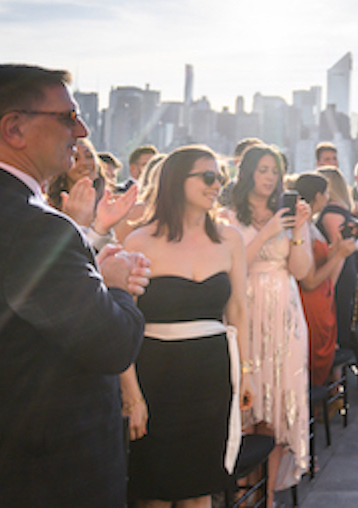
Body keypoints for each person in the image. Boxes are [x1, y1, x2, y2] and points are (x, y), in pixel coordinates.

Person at [0, 64, 148, 507]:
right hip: (42, 473)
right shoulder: (35, 228)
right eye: (66, 117)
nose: (82, 128)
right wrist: (115, 286)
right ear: (14, 128)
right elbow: (111, 344)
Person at [119, 145, 251, 507]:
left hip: (211, 373)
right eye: (208, 177)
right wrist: (132, 394)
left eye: (219, 178)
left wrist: (246, 371)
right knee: (154, 492)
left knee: (200, 488)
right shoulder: (139, 241)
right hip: (155, 375)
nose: (216, 185)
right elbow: (123, 323)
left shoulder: (230, 239)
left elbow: (238, 309)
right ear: (178, 181)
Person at [219, 144, 312, 507]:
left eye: (275, 170)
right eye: (262, 169)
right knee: (248, 399)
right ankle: (244, 492)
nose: (270, 177)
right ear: (248, 174)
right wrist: (269, 229)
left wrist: (299, 229)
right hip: (245, 310)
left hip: (284, 314)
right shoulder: (228, 215)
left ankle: (270, 494)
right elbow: (233, 264)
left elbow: (302, 272)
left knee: (277, 405)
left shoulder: (287, 214)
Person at [294, 172, 356, 388]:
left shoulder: (310, 224)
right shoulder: (302, 227)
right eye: (326, 193)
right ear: (318, 195)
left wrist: (337, 248)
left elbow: (320, 260)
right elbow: (309, 280)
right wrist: (339, 255)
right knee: (316, 353)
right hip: (313, 299)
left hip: (322, 296)